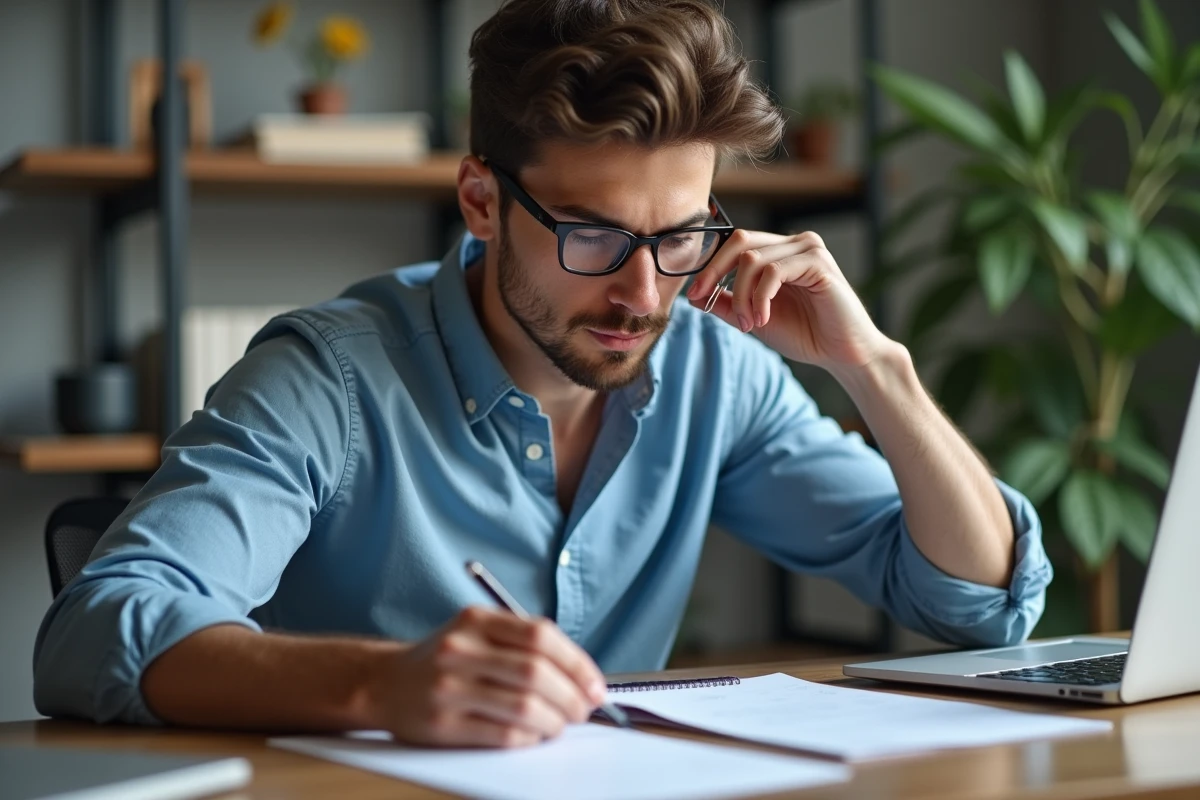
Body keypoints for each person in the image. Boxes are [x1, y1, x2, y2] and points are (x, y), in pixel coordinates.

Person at [34, 0, 1051, 749]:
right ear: (482, 200)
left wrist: (875, 368)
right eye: (594, 236)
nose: (644, 294)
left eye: (682, 235)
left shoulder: (710, 367)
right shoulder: (327, 381)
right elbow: (94, 630)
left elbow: (976, 601)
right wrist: (384, 685)